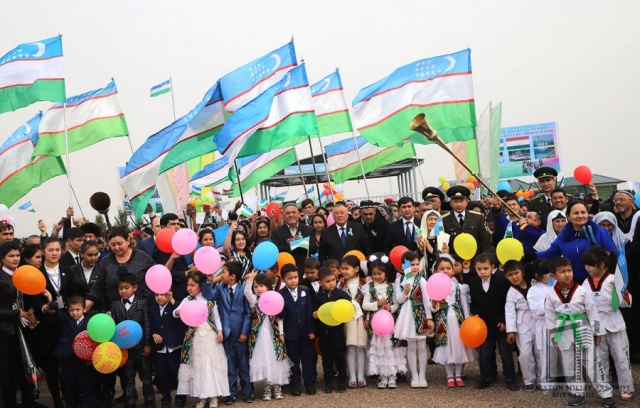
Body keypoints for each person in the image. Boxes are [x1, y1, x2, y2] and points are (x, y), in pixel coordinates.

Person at [544, 257, 615, 407]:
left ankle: (606, 393)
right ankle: (577, 393)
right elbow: (549, 315)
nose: (567, 274)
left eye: (569, 270)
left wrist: (596, 332)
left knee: (593, 362)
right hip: (563, 329)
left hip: (582, 327)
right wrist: (553, 335)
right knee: (569, 364)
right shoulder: (550, 293)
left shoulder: (582, 290)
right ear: (553, 276)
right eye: (562, 272)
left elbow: (592, 312)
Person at [581, 246, 634, 401]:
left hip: (613, 320)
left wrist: (624, 294)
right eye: (586, 265)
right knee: (600, 358)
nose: (587, 268)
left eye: (591, 265)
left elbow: (625, 303)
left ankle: (626, 388)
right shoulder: (586, 282)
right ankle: (603, 387)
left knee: (621, 356)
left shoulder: (613, 279)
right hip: (596, 323)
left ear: (602, 264)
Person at [175, 272, 229, 408]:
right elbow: (175, 312)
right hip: (195, 338)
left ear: (201, 286)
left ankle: (214, 396)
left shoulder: (209, 299)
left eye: (193, 285)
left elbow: (216, 316)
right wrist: (178, 312)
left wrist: (220, 330)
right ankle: (202, 396)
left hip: (210, 336)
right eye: (188, 285)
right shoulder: (187, 300)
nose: (189, 288)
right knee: (198, 366)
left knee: (211, 365)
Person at [32, 238, 72, 408]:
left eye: (57, 250)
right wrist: (43, 308)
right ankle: (56, 399)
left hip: (66, 323)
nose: (54, 253)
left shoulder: (68, 270)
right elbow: (32, 298)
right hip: (46, 326)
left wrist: (62, 305)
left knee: (68, 363)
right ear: (43, 251)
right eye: (50, 250)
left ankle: (69, 395)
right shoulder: (37, 273)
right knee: (51, 365)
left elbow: (71, 294)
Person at [536, 201, 619, 283]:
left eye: (583, 212)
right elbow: (549, 254)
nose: (580, 216)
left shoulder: (599, 232)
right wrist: (531, 256)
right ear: (568, 216)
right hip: (572, 282)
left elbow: (614, 256)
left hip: (598, 281)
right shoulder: (563, 235)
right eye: (576, 213)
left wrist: (600, 254)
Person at [469, 253, 516, 390]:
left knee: (505, 353)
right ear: (475, 268)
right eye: (479, 269)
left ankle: (510, 378)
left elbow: (507, 303)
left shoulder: (501, 282)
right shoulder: (474, 283)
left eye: (485, 268)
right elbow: (473, 303)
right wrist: (475, 314)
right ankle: (486, 376)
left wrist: (504, 320)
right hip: (483, 325)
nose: (482, 272)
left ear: (492, 267)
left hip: (499, 324)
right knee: (485, 352)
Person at [243, 273, 292, 401]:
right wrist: (250, 280)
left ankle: (277, 386)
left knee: (276, 359)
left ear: (268, 287)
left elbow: (279, 319)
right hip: (259, 337)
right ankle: (266, 387)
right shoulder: (255, 301)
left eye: (262, 286)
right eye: (256, 287)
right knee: (263, 360)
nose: (258, 289)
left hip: (273, 335)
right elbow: (247, 292)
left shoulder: (274, 299)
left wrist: (281, 333)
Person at [210, 261, 253, 404]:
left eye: (223, 272)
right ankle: (231, 393)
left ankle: (247, 391)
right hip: (226, 333)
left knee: (244, 364)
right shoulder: (219, 289)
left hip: (240, 332)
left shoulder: (243, 289)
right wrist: (211, 280)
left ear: (232, 276)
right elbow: (208, 294)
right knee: (230, 364)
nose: (221, 275)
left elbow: (248, 312)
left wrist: (245, 331)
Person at [42, 293, 94, 408]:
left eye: (77, 310)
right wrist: (50, 298)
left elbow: (94, 342)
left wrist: (90, 358)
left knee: (86, 385)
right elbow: (56, 308)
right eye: (71, 310)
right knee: (69, 386)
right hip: (68, 358)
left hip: (83, 361)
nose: (74, 313)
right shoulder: (65, 319)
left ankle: (88, 405)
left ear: (84, 309)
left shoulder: (90, 322)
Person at [86, 226, 155, 313]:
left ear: (128, 241)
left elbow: (157, 276)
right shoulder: (106, 261)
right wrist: (83, 307)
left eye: (119, 244)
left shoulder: (141, 257)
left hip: (141, 310)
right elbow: (98, 287)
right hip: (117, 311)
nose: (116, 248)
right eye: (113, 245)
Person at [430, 256, 475, 388]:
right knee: (446, 347)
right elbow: (433, 309)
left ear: (453, 270)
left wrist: (467, 319)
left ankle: (459, 375)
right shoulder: (434, 287)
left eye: (448, 268)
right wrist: (435, 302)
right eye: (442, 269)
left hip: (458, 320)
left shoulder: (459, 287)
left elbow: (464, 304)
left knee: (459, 346)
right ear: (436, 271)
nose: (445, 271)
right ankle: (450, 375)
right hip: (443, 321)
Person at [111, 273, 154, 408]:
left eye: (126, 288)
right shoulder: (115, 305)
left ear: (134, 288)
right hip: (124, 349)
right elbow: (114, 326)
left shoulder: (142, 303)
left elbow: (146, 324)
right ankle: (130, 402)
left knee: (146, 377)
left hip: (140, 348)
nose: (123, 291)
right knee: (127, 378)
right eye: (120, 288)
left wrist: (147, 344)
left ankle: (150, 401)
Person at [393, 251, 434, 388]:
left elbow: (426, 300)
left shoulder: (421, 280)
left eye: (417, 264)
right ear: (405, 266)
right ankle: (414, 376)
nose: (416, 267)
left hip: (420, 314)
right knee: (411, 347)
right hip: (407, 315)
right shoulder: (399, 280)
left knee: (422, 346)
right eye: (412, 265)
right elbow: (399, 300)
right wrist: (405, 292)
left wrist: (429, 317)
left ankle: (422, 375)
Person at [361, 257, 403, 389]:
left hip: (390, 323)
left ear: (386, 273)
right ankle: (383, 377)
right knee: (380, 350)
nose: (377, 276)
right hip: (377, 325)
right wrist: (377, 304)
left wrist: (391, 308)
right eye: (374, 274)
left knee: (391, 349)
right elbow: (365, 305)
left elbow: (397, 303)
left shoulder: (392, 287)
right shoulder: (369, 287)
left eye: (380, 273)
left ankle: (392, 377)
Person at [278, 264, 316, 396]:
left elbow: (309, 311)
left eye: (295, 277)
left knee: (307, 359)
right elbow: (282, 315)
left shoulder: (305, 290)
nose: (293, 280)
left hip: (305, 332)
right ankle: (295, 384)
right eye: (289, 278)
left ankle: (309, 383)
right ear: (283, 279)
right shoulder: (280, 294)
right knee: (293, 361)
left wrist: (311, 330)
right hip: (291, 332)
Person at [312, 267, 349, 393]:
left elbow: (348, 308)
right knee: (326, 358)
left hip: (337, 332)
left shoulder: (341, 294)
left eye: (333, 280)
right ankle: (328, 382)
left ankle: (342, 381)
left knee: (340, 357)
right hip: (324, 333)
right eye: (327, 281)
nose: (331, 283)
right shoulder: (318, 296)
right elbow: (314, 311)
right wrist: (315, 315)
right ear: (320, 282)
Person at [503, 260, 537, 392]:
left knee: (540, 351)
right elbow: (510, 311)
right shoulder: (511, 292)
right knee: (525, 353)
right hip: (522, 323)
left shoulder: (534, 284)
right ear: (506, 277)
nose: (514, 277)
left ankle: (544, 378)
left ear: (522, 272)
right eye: (510, 275)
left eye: (516, 273)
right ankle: (529, 381)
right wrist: (511, 331)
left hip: (539, 320)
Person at [150, 291, 187, 408]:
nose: (159, 297)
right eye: (157, 295)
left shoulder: (175, 306)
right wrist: (153, 334)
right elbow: (150, 325)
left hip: (174, 346)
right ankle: (165, 397)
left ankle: (180, 398)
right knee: (162, 374)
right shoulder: (152, 310)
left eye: (162, 295)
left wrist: (172, 300)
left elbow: (181, 314)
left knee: (177, 373)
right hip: (160, 348)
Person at [337, 255, 368, 388]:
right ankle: (352, 376)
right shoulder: (341, 283)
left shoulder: (365, 282)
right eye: (342, 268)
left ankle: (361, 375)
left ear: (356, 269)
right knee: (350, 347)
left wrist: (367, 318)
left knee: (361, 347)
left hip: (361, 318)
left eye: (347, 268)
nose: (344, 271)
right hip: (348, 318)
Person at [526, 260, 556, 394]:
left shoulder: (557, 285)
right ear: (538, 276)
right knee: (547, 357)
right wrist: (546, 302)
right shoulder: (534, 290)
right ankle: (547, 384)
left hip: (560, 323)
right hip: (544, 325)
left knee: (562, 355)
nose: (550, 275)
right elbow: (535, 310)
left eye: (551, 272)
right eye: (547, 273)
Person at [441, 186, 493, 258]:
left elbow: (485, 241)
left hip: (475, 260)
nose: (459, 204)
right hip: (454, 260)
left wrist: (485, 259)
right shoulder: (444, 219)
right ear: (451, 203)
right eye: (456, 201)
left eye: (461, 201)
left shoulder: (477, 217)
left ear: (466, 202)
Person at [271, 203, 316, 275]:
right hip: (285, 271)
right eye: (288, 213)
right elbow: (275, 250)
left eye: (293, 212)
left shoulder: (308, 229)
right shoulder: (277, 232)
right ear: (284, 216)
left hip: (304, 270)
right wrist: (289, 245)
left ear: (298, 214)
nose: (291, 215)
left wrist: (299, 243)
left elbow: (314, 248)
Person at [66, 241, 104, 309]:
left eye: (96, 254)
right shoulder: (72, 270)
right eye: (90, 255)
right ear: (81, 254)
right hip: (77, 309)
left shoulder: (102, 270)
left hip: (98, 309)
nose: (93, 258)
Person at [417, 210, 450, 275]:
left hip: (441, 273)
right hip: (423, 273)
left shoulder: (446, 238)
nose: (433, 222)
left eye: (435, 219)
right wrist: (421, 249)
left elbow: (446, 259)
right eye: (430, 219)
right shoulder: (419, 237)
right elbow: (414, 259)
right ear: (425, 221)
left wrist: (430, 248)